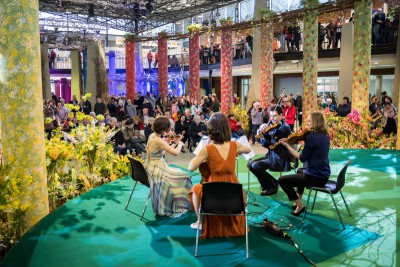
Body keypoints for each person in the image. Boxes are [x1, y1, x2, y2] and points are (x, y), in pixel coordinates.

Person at [188, 112, 251, 236]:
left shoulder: (207, 149)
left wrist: (205, 152)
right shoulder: (235, 145)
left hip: (214, 191)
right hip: (234, 192)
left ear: (211, 130)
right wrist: (236, 152)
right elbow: (248, 149)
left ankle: (199, 222)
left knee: (195, 190)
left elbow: (191, 167)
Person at [278, 111, 330, 216]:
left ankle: (300, 205)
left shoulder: (312, 138)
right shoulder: (325, 136)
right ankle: (298, 201)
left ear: (316, 122)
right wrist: (291, 140)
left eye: (310, 121)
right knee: (299, 170)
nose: (307, 123)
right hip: (324, 174)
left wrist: (287, 146)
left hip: (316, 177)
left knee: (282, 180)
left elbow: (302, 158)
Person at [144, 116, 193, 218]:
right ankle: (179, 203)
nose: (169, 130)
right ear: (163, 128)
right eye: (168, 128)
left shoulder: (152, 136)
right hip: (156, 168)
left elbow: (165, 151)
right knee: (184, 176)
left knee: (178, 172)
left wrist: (174, 143)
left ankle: (175, 201)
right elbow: (175, 153)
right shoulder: (158, 140)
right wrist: (180, 143)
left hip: (153, 166)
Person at [248, 106, 292, 196]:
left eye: (275, 116)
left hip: (279, 157)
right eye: (271, 116)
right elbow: (265, 143)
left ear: (281, 115)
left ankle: (273, 184)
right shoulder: (272, 125)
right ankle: (267, 186)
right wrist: (260, 133)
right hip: (271, 155)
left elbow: (272, 145)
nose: (272, 118)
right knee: (250, 164)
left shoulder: (284, 128)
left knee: (256, 166)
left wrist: (263, 137)